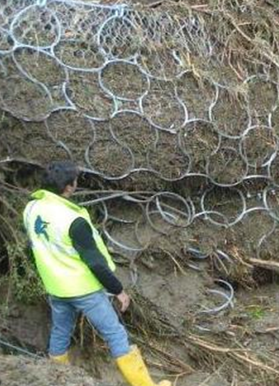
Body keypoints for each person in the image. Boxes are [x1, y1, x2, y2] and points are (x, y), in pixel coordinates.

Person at [23, 161, 170, 386]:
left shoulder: (31, 209)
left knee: (61, 332)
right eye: (75, 181)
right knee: (115, 334)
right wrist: (118, 290)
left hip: (55, 287)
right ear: (69, 187)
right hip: (84, 290)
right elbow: (95, 263)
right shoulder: (73, 220)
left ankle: (55, 379)